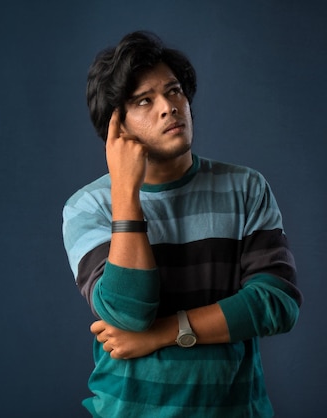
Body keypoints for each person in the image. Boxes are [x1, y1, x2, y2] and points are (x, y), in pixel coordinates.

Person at [62, 30, 302, 417]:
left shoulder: (246, 187)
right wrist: (125, 193)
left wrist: (162, 334)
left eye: (174, 91)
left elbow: (276, 303)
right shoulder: (87, 207)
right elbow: (127, 312)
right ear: (116, 127)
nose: (169, 107)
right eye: (145, 100)